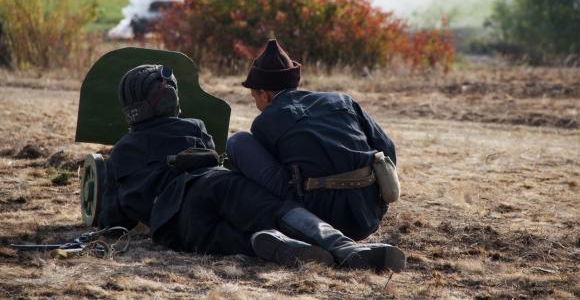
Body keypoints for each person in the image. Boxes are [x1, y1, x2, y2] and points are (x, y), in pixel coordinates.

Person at [99, 63, 406, 272]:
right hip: (216, 184)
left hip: (173, 225)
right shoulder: (195, 127)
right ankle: (342, 247)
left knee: (233, 239)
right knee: (275, 210)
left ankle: (274, 245)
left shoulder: (122, 152)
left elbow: (113, 221)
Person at [227, 39, 399, 241]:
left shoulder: (265, 123)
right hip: (368, 216)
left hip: (317, 220)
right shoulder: (342, 101)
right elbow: (387, 148)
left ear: (263, 94)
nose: (257, 103)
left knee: (238, 142)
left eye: (254, 97)